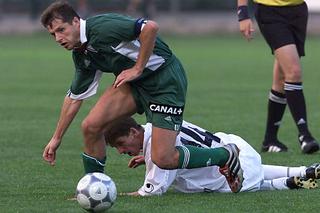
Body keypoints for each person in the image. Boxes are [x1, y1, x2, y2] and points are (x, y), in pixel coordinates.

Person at [40, 1, 243, 192]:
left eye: (61, 30)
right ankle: (94, 188)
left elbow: (150, 27)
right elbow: (74, 98)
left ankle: (225, 155)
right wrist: (56, 138)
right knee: (91, 127)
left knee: (164, 158)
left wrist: (137, 68)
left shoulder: (102, 28)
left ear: (76, 21)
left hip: (164, 81)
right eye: (53, 34)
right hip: (135, 85)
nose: (58, 38)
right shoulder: (82, 54)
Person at [105, 117, 320, 196]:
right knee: (252, 171)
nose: (121, 152)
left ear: (134, 132)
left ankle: (287, 183)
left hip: (230, 170)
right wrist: (148, 158)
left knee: (231, 186)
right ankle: (305, 171)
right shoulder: (159, 124)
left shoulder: (155, 145)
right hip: (239, 149)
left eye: (121, 145)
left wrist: (117, 195)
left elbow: (152, 191)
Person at [236, 0, 319, 153]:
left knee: (282, 78)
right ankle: (305, 135)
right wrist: (243, 13)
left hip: (298, 11)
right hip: (270, 12)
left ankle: (270, 140)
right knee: (293, 72)